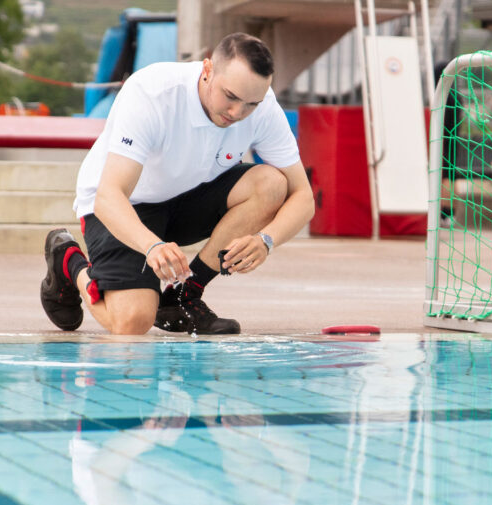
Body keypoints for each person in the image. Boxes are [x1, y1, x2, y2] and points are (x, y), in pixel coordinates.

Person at [40, 32, 314, 335]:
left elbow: (303, 196)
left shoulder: (263, 108)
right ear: (207, 70)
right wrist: (151, 245)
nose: (238, 113)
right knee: (132, 323)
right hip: (123, 207)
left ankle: (184, 295)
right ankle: (68, 260)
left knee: (273, 183)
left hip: (186, 198)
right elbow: (109, 196)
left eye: (251, 104)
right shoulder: (152, 93)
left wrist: (266, 240)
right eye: (231, 97)